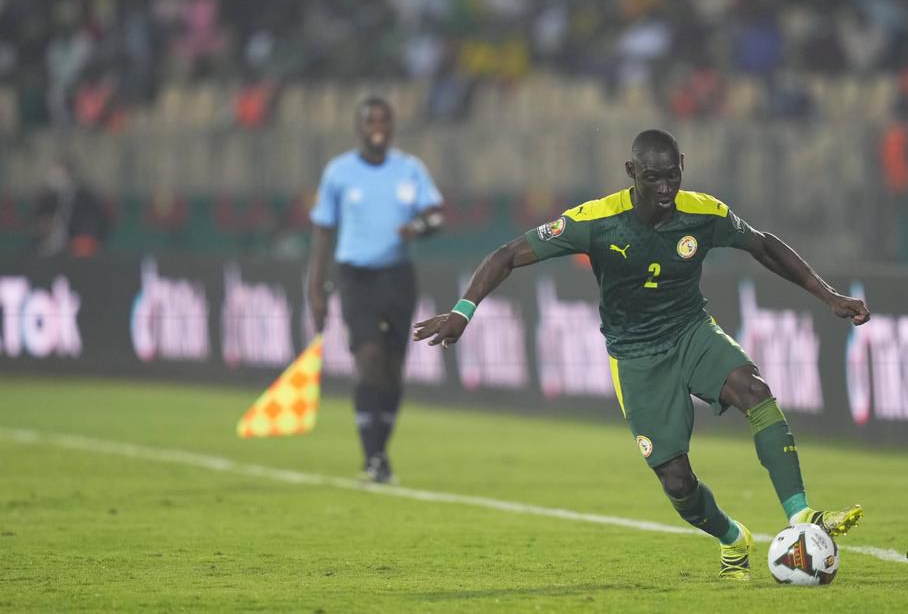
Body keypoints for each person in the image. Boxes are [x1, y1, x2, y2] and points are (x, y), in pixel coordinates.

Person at [413, 129, 871, 581]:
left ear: (682, 167)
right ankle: (733, 539)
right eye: (653, 178)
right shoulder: (596, 220)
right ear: (632, 172)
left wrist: (828, 295)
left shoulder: (703, 212)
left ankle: (801, 516)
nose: (666, 188)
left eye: (672, 175)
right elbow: (508, 254)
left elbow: (764, 245)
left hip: (691, 331)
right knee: (676, 480)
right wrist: (462, 312)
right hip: (635, 355)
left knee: (755, 390)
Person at [307, 96, 444, 484]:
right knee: (368, 358)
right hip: (357, 277)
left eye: (384, 120)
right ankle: (373, 456)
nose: (378, 127)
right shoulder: (339, 172)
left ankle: (380, 452)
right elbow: (323, 231)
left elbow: (435, 215)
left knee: (393, 368)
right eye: (371, 121)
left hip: (397, 276)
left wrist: (418, 228)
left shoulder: (410, 169)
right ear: (360, 127)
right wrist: (315, 290)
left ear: (393, 126)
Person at [31, 156, 110, 257]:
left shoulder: (86, 197)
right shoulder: (46, 198)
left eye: (57, 174)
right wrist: (43, 226)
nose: (52, 178)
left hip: (78, 249)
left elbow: (99, 222)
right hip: (47, 248)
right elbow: (35, 222)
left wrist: (83, 238)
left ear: (69, 175)